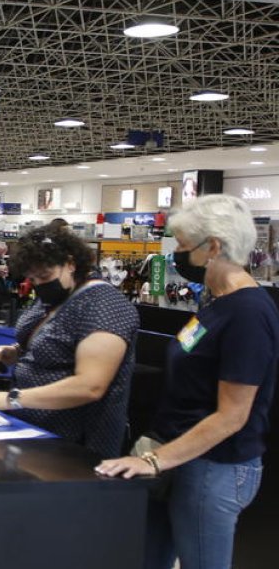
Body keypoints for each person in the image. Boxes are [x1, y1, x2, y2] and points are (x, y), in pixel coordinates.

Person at [97, 195, 279, 569]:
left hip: (215, 466)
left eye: (182, 246)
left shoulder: (248, 314)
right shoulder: (217, 303)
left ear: (213, 246)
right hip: (179, 456)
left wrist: (156, 461)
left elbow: (232, 416)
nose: (176, 254)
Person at [0, 226, 138, 458]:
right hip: (33, 434)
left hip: (75, 446)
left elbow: (90, 386)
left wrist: (11, 399)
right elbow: (59, 341)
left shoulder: (104, 306)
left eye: (44, 276)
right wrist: (17, 352)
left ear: (70, 263)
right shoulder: (58, 295)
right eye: (33, 279)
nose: (39, 284)